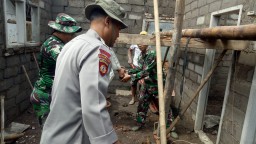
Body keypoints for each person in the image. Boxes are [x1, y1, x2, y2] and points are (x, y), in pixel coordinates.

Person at [40, 0, 127, 143]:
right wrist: (110, 141)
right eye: (118, 28)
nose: (118, 35)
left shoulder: (73, 44)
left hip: (55, 134)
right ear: (107, 21)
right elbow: (94, 107)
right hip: (73, 136)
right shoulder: (96, 49)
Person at [30, 13, 82, 127]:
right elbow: (69, 64)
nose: (72, 36)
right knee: (49, 132)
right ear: (63, 32)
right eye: (71, 33)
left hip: (52, 93)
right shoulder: (54, 45)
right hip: (45, 95)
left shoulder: (59, 43)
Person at [121, 36, 177, 137]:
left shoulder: (152, 54)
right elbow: (139, 68)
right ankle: (140, 123)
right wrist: (127, 71)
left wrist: (131, 76)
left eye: (142, 42)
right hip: (147, 84)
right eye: (138, 43)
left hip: (157, 85)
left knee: (163, 106)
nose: (140, 44)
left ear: (147, 43)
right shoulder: (140, 56)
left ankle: (170, 127)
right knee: (142, 103)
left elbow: (146, 72)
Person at [127, 31, 147, 105]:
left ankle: (140, 97)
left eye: (144, 36)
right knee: (133, 83)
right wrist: (130, 59)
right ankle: (133, 98)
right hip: (135, 65)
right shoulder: (135, 43)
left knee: (142, 83)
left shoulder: (148, 44)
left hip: (143, 66)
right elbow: (129, 50)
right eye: (141, 36)